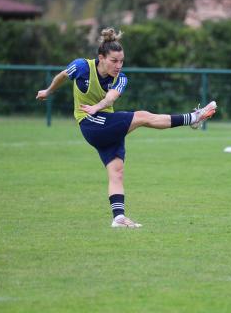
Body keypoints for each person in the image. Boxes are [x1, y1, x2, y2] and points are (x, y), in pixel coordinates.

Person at [36, 27, 217, 228]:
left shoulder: (121, 78)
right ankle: (192, 118)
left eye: (121, 61)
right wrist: (48, 91)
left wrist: (97, 106)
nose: (118, 65)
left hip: (106, 121)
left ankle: (119, 218)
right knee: (142, 117)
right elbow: (62, 75)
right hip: (91, 125)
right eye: (114, 61)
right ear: (101, 58)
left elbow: (111, 97)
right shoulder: (81, 66)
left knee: (117, 172)